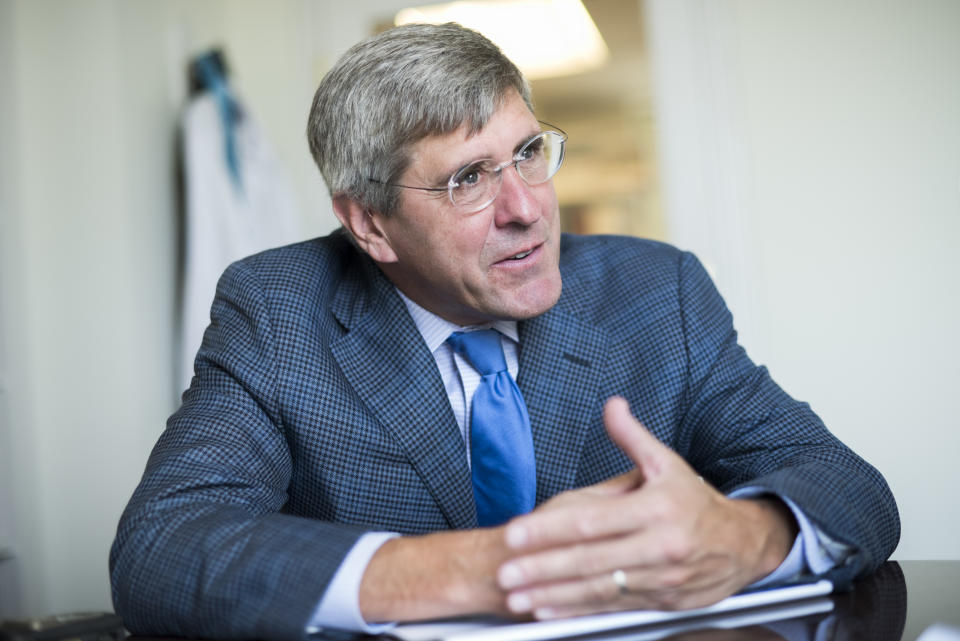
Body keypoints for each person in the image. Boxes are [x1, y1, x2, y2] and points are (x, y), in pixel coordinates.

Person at [110, 22, 899, 640]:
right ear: (370, 224)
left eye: (528, 152)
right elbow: (162, 547)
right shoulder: (277, 310)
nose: (527, 206)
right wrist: (497, 569)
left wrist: (744, 534)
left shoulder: (659, 293)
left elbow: (849, 486)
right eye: (468, 178)